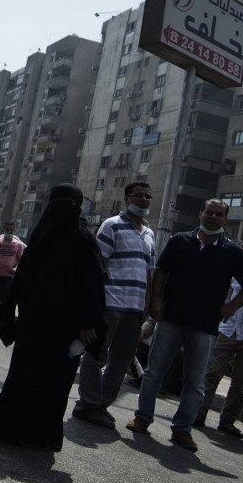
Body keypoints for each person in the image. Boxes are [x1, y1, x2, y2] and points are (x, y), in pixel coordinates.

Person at [0, 184, 107, 452]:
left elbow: (94, 283)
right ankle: (7, 426)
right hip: (33, 322)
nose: (62, 208)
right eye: (58, 201)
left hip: (66, 327)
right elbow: (23, 275)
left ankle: (39, 435)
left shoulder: (84, 239)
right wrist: (5, 306)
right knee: (23, 373)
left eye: (69, 203)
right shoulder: (42, 234)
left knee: (54, 382)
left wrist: (89, 322)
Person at [126, 199, 243, 451]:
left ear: (225, 220)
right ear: (201, 213)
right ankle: (142, 418)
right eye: (210, 212)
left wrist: (231, 307)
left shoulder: (232, 251)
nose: (214, 217)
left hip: (205, 325)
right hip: (171, 317)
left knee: (195, 381)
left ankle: (182, 429)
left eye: (219, 214)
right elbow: (161, 271)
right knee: (154, 372)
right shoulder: (179, 241)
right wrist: (156, 302)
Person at [72, 182, 156, 429]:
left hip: (135, 308)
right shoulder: (112, 225)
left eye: (147, 197)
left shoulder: (149, 233)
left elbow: (149, 273)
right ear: (127, 198)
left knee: (122, 361)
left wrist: (148, 303)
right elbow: (96, 266)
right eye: (138, 196)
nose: (143, 200)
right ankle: (86, 404)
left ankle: (101, 405)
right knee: (97, 355)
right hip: (111, 303)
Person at [193, 237, 243, 437]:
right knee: (213, 373)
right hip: (227, 329)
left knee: (239, 382)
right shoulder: (234, 271)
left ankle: (227, 421)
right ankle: (198, 413)